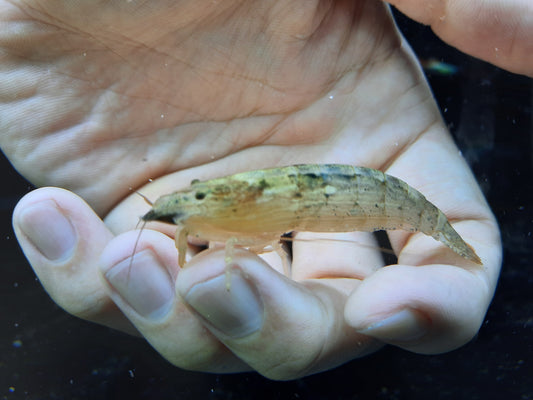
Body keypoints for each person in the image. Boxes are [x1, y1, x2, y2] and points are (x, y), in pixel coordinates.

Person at [3, 0, 527, 380]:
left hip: (371, 195)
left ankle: (447, 239)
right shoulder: (211, 209)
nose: (184, 211)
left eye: (201, 198)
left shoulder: (254, 202)